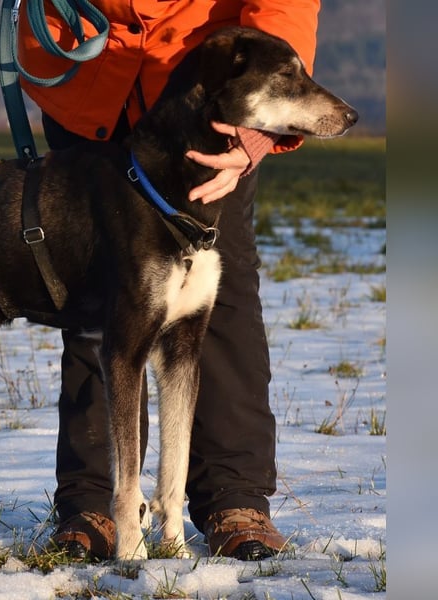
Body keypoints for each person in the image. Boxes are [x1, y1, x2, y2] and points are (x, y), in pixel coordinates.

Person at [16, 0, 320, 561]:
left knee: (219, 297)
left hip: (207, 89)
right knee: (94, 298)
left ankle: (233, 496)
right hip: (89, 73)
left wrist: (256, 135)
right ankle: (96, 503)